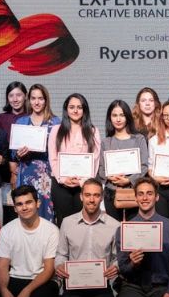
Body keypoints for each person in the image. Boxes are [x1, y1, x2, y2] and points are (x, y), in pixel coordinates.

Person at [55, 178, 119, 297]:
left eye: (96, 195)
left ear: (102, 198)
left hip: (101, 284)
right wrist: (60, 266)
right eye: (88, 195)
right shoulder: (67, 223)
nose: (92, 199)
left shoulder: (114, 225)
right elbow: (61, 254)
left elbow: (117, 257)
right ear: (81, 196)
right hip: (74, 284)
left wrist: (115, 267)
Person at [48, 93, 101, 225]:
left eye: (79, 107)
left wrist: (82, 181)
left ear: (84, 110)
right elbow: (53, 158)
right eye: (72, 107)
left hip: (83, 186)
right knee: (63, 222)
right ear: (66, 109)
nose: (75, 111)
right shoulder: (56, 130)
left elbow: (95, 158)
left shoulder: (93, 131)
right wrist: (63, 179)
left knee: (83, 222)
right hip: (61, 185)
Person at [10, 83, 61, 222]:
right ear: (29, 100)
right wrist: (19, 154)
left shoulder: (56, 122)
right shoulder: (21, 122)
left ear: (46, 100)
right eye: (33, 98)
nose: (37, 102)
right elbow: (13, 154)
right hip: (26, 173)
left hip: (47, 175)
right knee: (26, 210)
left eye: (40, 98)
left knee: (47, 212)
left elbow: (60, 151)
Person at [97, 100, 148, 222]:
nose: (118, 119)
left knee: (133, 227)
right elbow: (101, 169)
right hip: (111, 192)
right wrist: (111, 177)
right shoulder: (105, 142)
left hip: (134, 190)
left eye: (122, 115)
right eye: (114, 115)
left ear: (127, 117)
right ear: (110, 118)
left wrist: (129, 180)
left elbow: (144, 166)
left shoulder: (139, 139)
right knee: (113, 228)